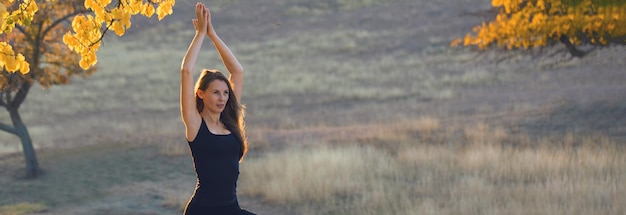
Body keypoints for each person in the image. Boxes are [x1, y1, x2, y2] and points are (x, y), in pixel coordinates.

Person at [180, 3, 255, 215]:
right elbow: (186, 70)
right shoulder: (194, 124)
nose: (222, 98)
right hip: (202, 211)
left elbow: (237, 71)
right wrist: (200, 35)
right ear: (200, 94)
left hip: (231, 209)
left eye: (225, 92)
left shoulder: (230, 117)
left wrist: (212, 34)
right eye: (215, 92)